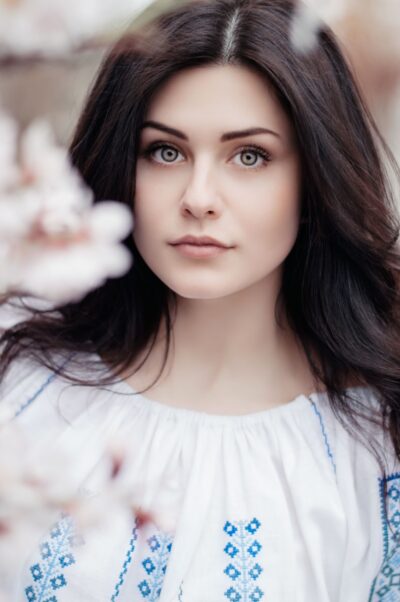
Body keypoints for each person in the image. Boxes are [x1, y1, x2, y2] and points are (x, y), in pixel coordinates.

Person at [1, 0, 400, 600]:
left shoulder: (374, 444)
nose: (199, 197)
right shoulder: (22, 379)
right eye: (166, 151)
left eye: (250, 156)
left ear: (316, 175)